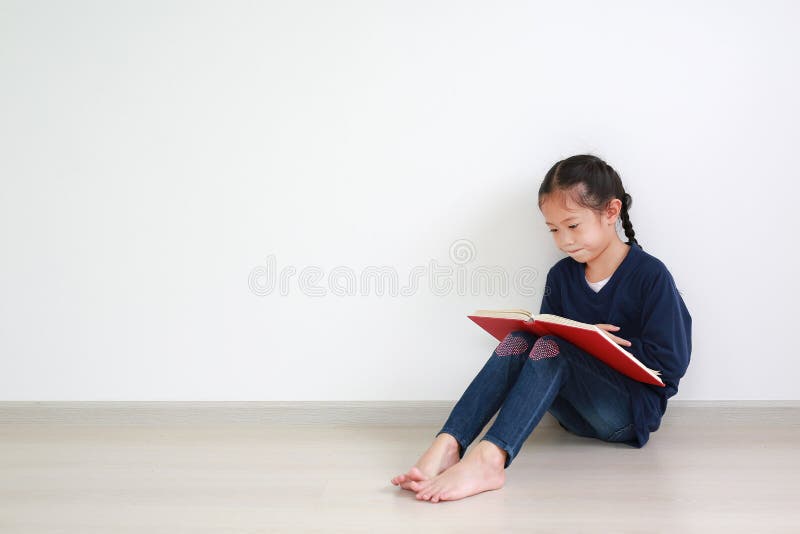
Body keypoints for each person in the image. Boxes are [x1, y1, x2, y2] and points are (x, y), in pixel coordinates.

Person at [390, 154, 692, 503]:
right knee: (521, 340)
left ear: (611, 212)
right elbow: (545, 345)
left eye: (573, 226)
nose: (564, 240)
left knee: (556, 348)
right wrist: (579, 339)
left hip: (626, 415)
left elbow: (671, 365)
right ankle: (448, 443)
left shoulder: (650, 276)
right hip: (574, 413)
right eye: (554, 230)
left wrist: (598, 346)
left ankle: (490, 459)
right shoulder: (561, 276)